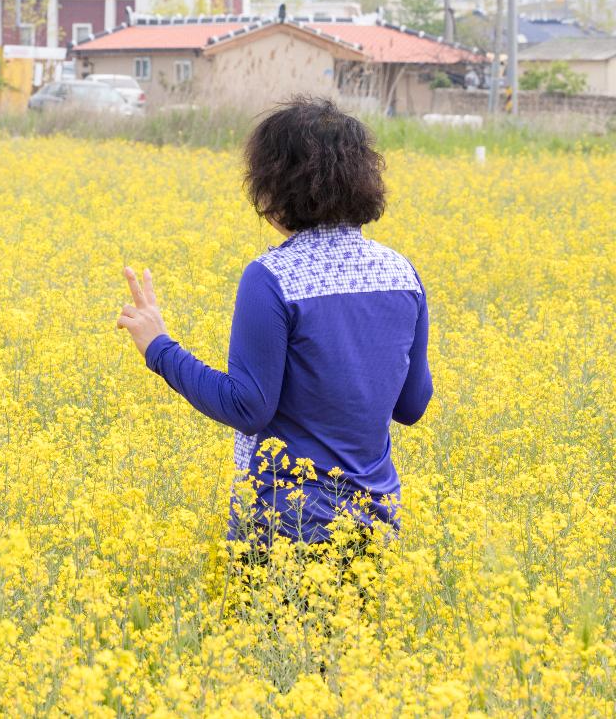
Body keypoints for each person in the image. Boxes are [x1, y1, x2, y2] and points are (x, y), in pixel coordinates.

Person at [116, 96, 432, 546]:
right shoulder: (402, 274)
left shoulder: (272, 277)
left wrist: (159, 348)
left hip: (287, 525)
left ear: (274, 186)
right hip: (375, 521)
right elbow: (412, 405)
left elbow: (248, 407)